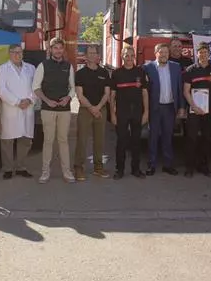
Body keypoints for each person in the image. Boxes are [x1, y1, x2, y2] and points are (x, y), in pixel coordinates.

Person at [33, 38, 77, 184]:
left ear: (63, 50)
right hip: (47, 109)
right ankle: (45, 172)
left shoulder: (68, 66)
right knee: (48, 141)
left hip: (64, 109)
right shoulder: (43, 66)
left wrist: (68, 98)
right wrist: (47, 100)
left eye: (60, 48)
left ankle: (67, 172)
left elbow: (72, 88)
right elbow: (36, 88)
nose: (58, 50)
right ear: (50, 49)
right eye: (55, 48)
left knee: (63, 140)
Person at [143, 43, 185, 176]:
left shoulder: (176, 67)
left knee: (168, 136)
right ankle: (151, 164)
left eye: (166, 52)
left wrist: (181, 107)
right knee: (153, 137)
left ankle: (168, 164)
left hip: (169, 108)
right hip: (155, 108)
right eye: (161, 52)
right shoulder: (147, 68)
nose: (163, 55)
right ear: (156, 54)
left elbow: (179, 88)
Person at [183, 42, 211, 177]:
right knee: (191, 138)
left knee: (207, 139)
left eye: (205, 52)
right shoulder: (190, 70)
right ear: (197, 54)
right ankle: (189, 167)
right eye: (201, 52)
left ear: (209, 54)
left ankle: (204, 166)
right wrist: (193, 106)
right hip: (194, 109)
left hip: (209, 110)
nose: (203, 55)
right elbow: (186, 91)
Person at [0, 44, 35, 179]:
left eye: (19, 52)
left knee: (25, 139)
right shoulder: (2, 69)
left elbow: (36, 87)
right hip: (11, 108)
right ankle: (7, 168)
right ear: (9, 53)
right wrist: (18, 102)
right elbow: (2, 90)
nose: (17, 55)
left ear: (22, 53)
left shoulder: (31, 68)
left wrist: (29, 100)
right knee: (7, 140)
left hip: (27, 108)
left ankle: (20, 167)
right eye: (14, 52)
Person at [74, 44, 111, 181]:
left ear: (97, 56)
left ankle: (98, 167)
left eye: (94, 53)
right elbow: (79, 95)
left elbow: (107, 93)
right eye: (89, 53)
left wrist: (99, 107)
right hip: (85, 110)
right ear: (85, 56)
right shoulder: (80, 74)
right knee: (82, 140)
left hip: (101, 109)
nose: (92, 55)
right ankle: (79, 167)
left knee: (99, 140)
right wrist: (91, 108)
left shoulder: (104, 73)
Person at [110, 46, 149, 179]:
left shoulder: (140, 72)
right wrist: (113, 114)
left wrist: (146, 112)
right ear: (122, 56)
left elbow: (145, 93)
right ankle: (119, 170)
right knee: (121, 142)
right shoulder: (116, 73)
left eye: (132, 55)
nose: (130, 58)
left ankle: (135, 169)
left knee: (136, 142)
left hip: (137, 112)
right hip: (122, 112)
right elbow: (112, 96)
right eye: (127, 55)